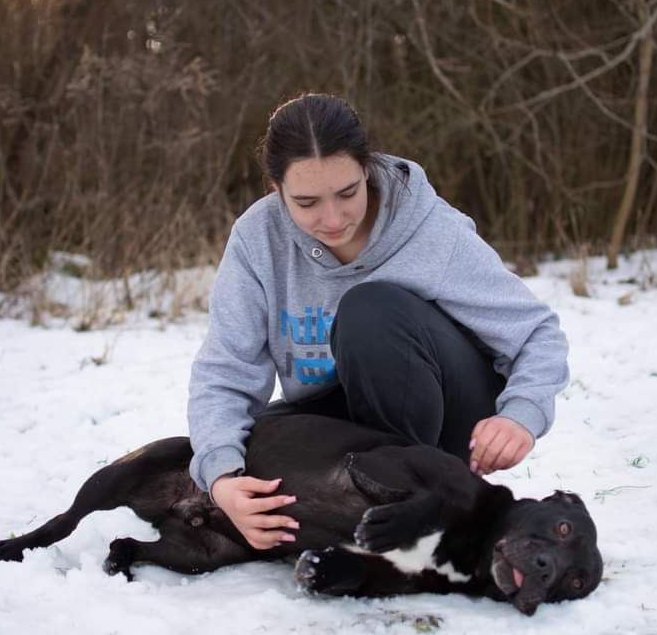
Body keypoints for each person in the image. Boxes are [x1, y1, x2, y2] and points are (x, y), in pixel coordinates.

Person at [188, 93, 569, 552]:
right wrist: (223, 476)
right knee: (259, 445)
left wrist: (520, 416)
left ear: (366, 169)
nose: (332, 219)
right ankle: (351, 513)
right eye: (307, 202)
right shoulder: (257, 239)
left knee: (369, 309)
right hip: (348, 415)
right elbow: (226, 368)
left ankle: (418, 507)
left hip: (446, 417)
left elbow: (535, 334)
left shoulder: (429, 229)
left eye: (348, 193)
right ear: (276, 190)